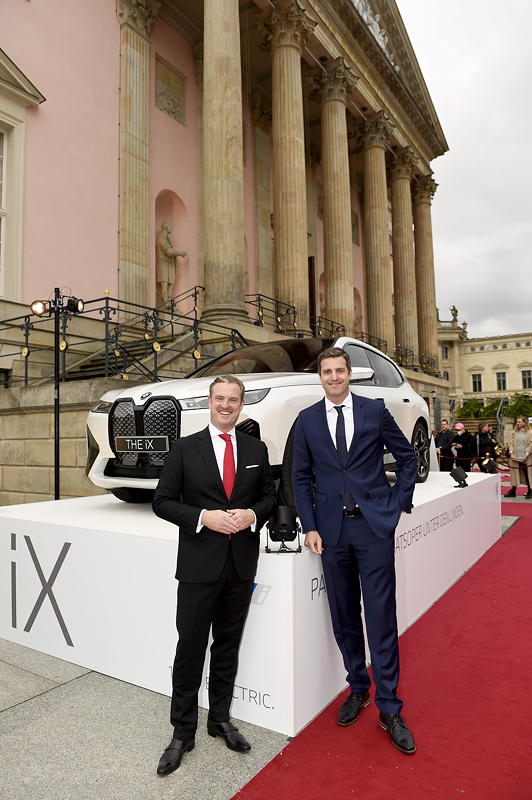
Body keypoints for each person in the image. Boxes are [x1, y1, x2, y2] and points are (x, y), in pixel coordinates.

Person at [292, 346, 418, 755]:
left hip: (373, 527)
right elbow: (299, 477)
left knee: (381, 617)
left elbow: (407, 456)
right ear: (320, 377)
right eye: (326, 372)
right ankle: (358, 687)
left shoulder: (374, 410)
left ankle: (390, 707)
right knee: (344, 616)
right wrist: (310, 525)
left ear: (350, 374)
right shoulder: (307, 420)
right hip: (331, 532)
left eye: (339, 370)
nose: (333, 377)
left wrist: (398, 503)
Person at [153, 375, 277, 775]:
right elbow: (162, 502)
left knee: (227, 645)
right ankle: (181, 732)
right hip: (198, 566)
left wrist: (252, 514)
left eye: (233, 399)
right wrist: (203, 517)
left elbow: (270, 496)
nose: (226, 405)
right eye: (220, 398)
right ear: (210, 401)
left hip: (240, 565)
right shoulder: (185, 448)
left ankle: (219, 719)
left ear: (241, 404)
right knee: (190, 648)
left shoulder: (257, 449)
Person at [155, 222, 186, 306]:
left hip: (170, 264)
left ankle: (168, 303)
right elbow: (169, 251)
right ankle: (165, 304)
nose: (171, 228)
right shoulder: (160, 236)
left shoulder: (167, 238)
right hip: (163, 263)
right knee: (164, 283)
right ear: (166, 227)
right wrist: (181, 253)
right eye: (170, 226)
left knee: (170, 284)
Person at [505, 416, 532, 498]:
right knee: (514, 473)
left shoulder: (530, 432)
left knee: (528, 474)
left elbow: (530, 444)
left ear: (524, 422)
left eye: (519, 422)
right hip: (515, 457)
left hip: (526, 457)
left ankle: (530, 490)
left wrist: (527, 454)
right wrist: (511, 452)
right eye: (517, 422)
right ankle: (513, 491)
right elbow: (511, 443)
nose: (517, 423)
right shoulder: (515, 432)